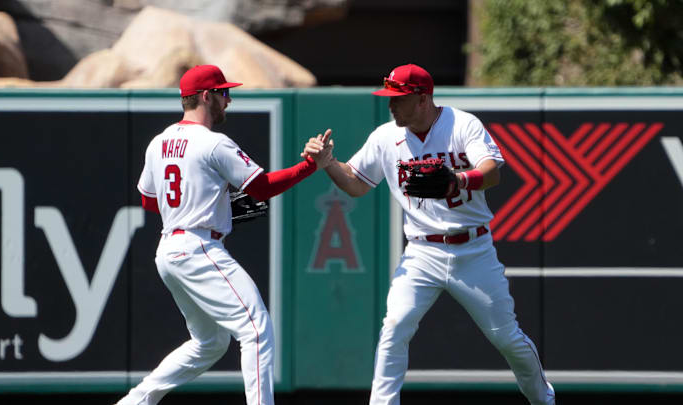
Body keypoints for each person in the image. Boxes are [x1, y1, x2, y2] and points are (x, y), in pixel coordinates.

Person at [304, 64, 555, 405]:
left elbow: (492, 171)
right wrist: (328, 163)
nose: (390, 105)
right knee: (394, 327)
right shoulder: (385, 137)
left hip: (473, 250)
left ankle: (544, 399)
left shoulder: (461, 124)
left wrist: (458, 179)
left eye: (398, 99)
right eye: (389, 98)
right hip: (422, 253)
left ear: (422, 99)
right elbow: (356, 185)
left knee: (507, 338)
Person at [117, 65, 334, 405]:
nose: (228, 99)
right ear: (206, 96)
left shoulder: (158, 142)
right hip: (198, 247)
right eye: (223, 92)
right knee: (257, 329)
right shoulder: (213, 142)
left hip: (169, 250)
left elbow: (148, 200)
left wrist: (202, 204)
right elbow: (261, 188)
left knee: (209, 343)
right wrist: (310, 166)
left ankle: (135, 401)